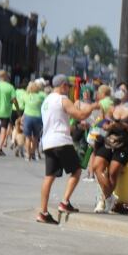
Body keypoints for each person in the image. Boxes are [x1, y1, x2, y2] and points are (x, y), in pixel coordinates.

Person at [36, 74, 99, 224]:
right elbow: (80, 114)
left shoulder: (47, 100)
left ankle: (43, 212)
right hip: (61, 141)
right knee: (77, 170)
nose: (69, 89)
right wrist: (93, 106)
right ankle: (64, 202)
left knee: (49, 177)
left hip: (48, 142)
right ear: (63, 85)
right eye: (68, 86)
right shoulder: (62, 99)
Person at [92, 85, 128, 213]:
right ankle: (109, 197)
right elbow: (105, 123)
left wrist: (123, 125)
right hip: (109, 140)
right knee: (97, 167)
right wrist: (107, 125)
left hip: (124, 144)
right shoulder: (112, 108)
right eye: (118, 90)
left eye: (123, 90)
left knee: (113, 172)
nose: (120, 93)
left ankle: (103, 200)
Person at [22, 80, 46, 161]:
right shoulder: (41, 96)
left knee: (27, 137)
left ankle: (28, 155)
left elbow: (22, 104)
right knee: (36, 137)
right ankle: (32, 152)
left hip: (28, 117)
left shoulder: (26, 95)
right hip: (38, 117)